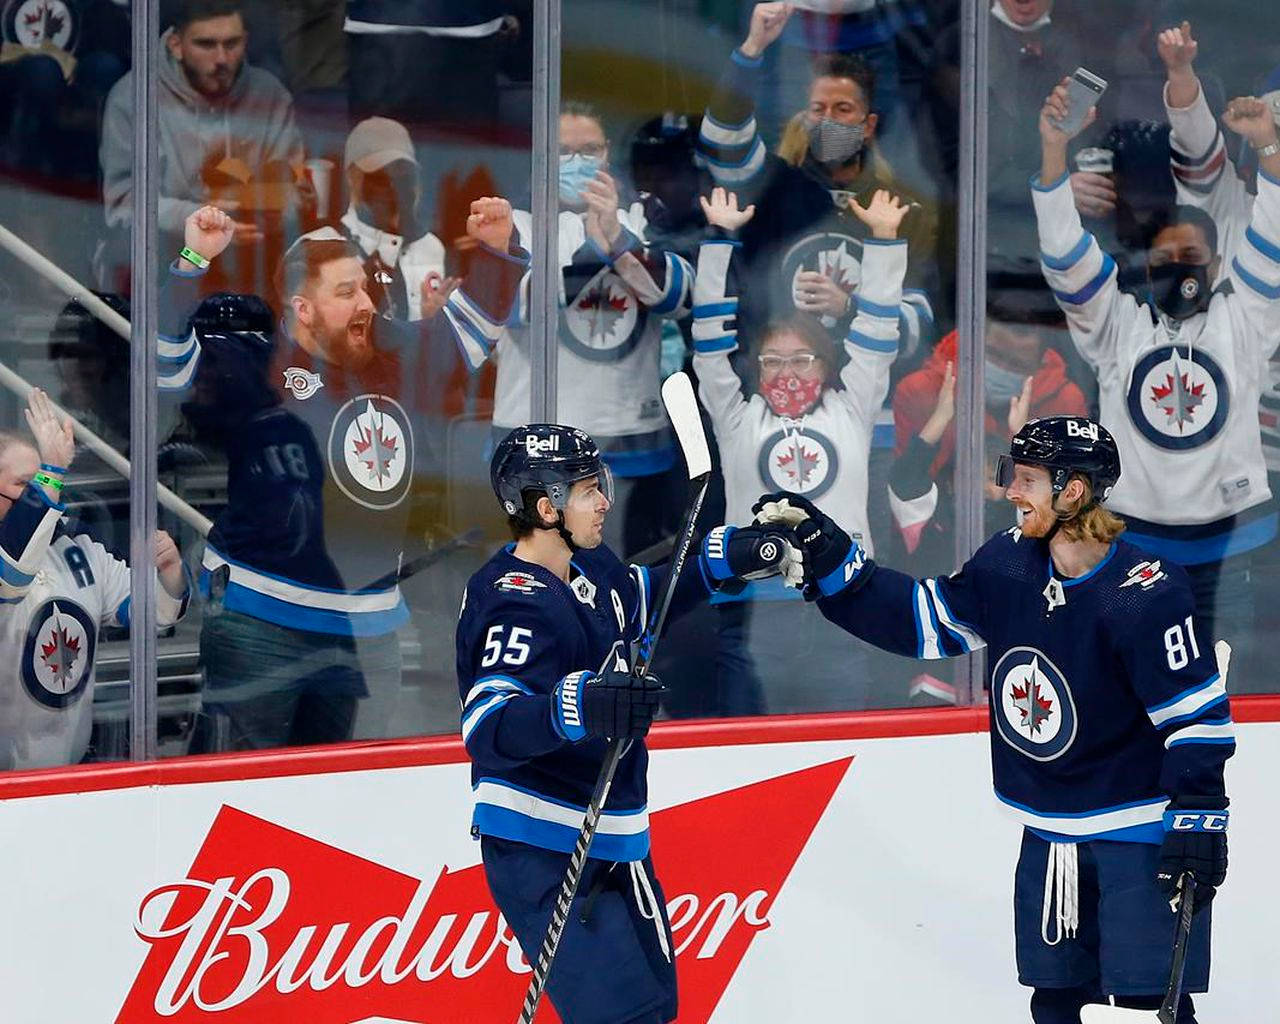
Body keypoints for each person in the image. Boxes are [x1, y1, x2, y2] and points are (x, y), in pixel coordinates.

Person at [751, 416, 1233, 1023]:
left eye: (1026, 479)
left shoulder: (1143, 593)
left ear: (1073, 492)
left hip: (1136, 836)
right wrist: (832, 562)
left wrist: (1199, 822)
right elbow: (920, 621)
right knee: (1055, 1005)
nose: (1010, 490)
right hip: (1050, 833)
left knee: (1146, 1007)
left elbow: (1196, 721)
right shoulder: (1009, 565)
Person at [457, 424, 793, 1024]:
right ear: (545, 507)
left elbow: (643, 598)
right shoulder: (514, 601)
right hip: (545, 843)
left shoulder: (590, 567)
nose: (605, 500)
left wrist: (732, 558)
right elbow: (489, 725)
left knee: (656, 1010)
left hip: (614, 837)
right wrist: (582, 704)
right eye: (588, 490)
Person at [164, 199, 526, 751]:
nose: (365, 304)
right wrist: (191, 260)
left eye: (364, 288)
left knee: (345, 803)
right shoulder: (254, 361)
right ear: (303, 309)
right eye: (345, 293)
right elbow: (163, 362)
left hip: (367, 631)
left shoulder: (394, 350)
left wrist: (498, 251)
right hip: (260, 625)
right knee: (242, 799)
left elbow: (473, 327)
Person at [1032, 77, 1280, 680]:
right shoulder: (1117, 328)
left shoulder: (1244, 320)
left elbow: (1272, 240)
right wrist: (1053, 149)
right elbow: (1065, 253)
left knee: (1228, 700)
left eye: (1192, 256)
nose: (1178, 269)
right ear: (1144, 269)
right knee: (1133, 690)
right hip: (1135, 547)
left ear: (1218, 265)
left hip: (1235, 549)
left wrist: (1269, 149)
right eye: (1164, 260)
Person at [691, 185, 906, 712]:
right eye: (773, 361)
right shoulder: (738, 417)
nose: (787, 372)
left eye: (802, 359)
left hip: (844, 606)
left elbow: (878, 330)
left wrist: (882, 241)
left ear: (827, 366)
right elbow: (709, 343)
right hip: (752, 614)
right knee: (743, 755)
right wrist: (719, 241)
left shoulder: (851, 409)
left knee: (843, 753)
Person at [490, 103, 693, 556]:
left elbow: (681, 297)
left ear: (607, 155)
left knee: (624, 579)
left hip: (628, 436)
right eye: (562, 150)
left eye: (589, 149)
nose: (577, 161)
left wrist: (619, 243)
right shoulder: (513, 223)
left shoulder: (643, 218)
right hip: (534, 436)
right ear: (539, 156)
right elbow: (517, 307)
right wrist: (595, 252)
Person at [697, 2, 936, 351]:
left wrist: (850, 309)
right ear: (805, 117)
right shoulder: (773, 187)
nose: (828, 120)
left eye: (843, 109)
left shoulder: (902, 208)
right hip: (773, 377)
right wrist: (752, 50)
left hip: (859, 392)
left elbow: (920, 325)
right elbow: (721, 142)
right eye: (818, 109)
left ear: (868, 125)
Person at [0, 389, 189, 771]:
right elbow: (13, 573)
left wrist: (170, 572)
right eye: (26, 484)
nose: (42, 492)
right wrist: (51, 470)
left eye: (44, 480)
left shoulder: (79, 548)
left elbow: (151, 612)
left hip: (70, 773)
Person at [99, 0, 304, 286]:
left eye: (232, 44)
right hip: (159, 263)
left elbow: (295, 191)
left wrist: (268, 208)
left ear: (245, 41)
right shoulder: (133, 97)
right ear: (176, 44)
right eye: (206, 45)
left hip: (254, 259)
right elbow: (123, 207)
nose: (222, 58)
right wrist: (198, 219)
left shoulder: (270, 95)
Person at [888, 289, 1088, 572]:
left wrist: (1025, 439)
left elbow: (1063, 509)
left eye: (1014, 364)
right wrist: (942, 416)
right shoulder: (932, 517)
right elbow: (907, 480)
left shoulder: (1024, 520)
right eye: (993, 356)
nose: (981, 487)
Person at [337, 116, 449, 322]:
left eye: (402, 174)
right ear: (353, 178)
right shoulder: (322, 247)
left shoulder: (432, 248)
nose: (392, 187)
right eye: (379, 176)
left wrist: (434, 325)